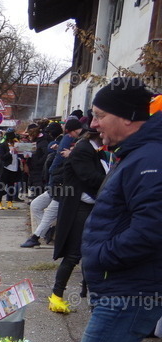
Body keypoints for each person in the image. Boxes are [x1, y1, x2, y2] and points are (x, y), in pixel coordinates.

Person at [30, 78, 162, 342]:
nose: (94, 123)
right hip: (120, 287)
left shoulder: (150, 159)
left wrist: (102, 255)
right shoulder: (138, 154)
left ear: (128, 117)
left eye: (101, 115)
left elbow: (152, 228)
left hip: (129, 289)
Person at [45, 127, 107, 314]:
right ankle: (56, 296)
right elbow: (90, 177)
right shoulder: (84, 150)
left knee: (91, 253)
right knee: (74, 254)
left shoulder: (92, 150)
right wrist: (113, 182)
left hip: (88, 207)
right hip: (78, 209)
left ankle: (88, 294)